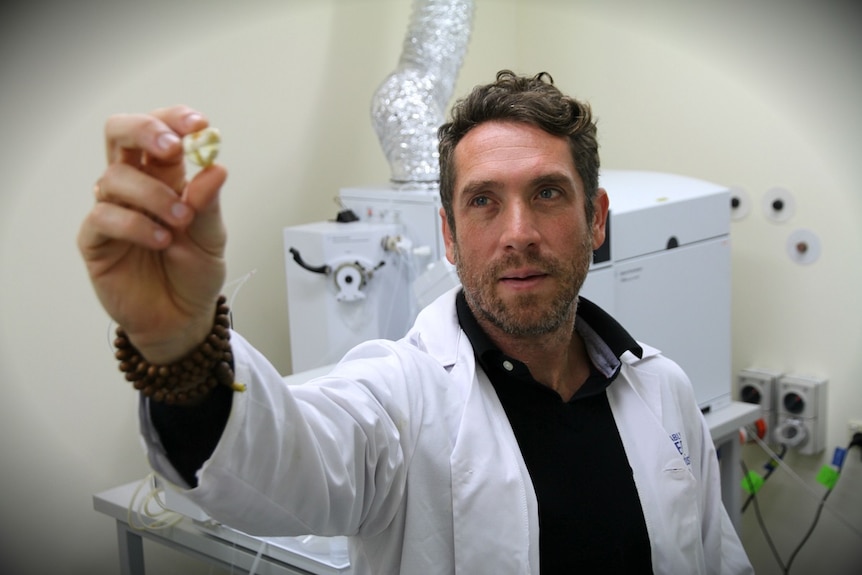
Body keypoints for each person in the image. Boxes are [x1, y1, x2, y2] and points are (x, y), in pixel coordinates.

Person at [79, 70, 753, 574]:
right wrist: (180, 344)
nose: (518, 233)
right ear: (450, 235)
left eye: (548, 193)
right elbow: (278, 462)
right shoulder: (397, 399)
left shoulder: (661, 388)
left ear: (596, 217)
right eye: (483, 201)